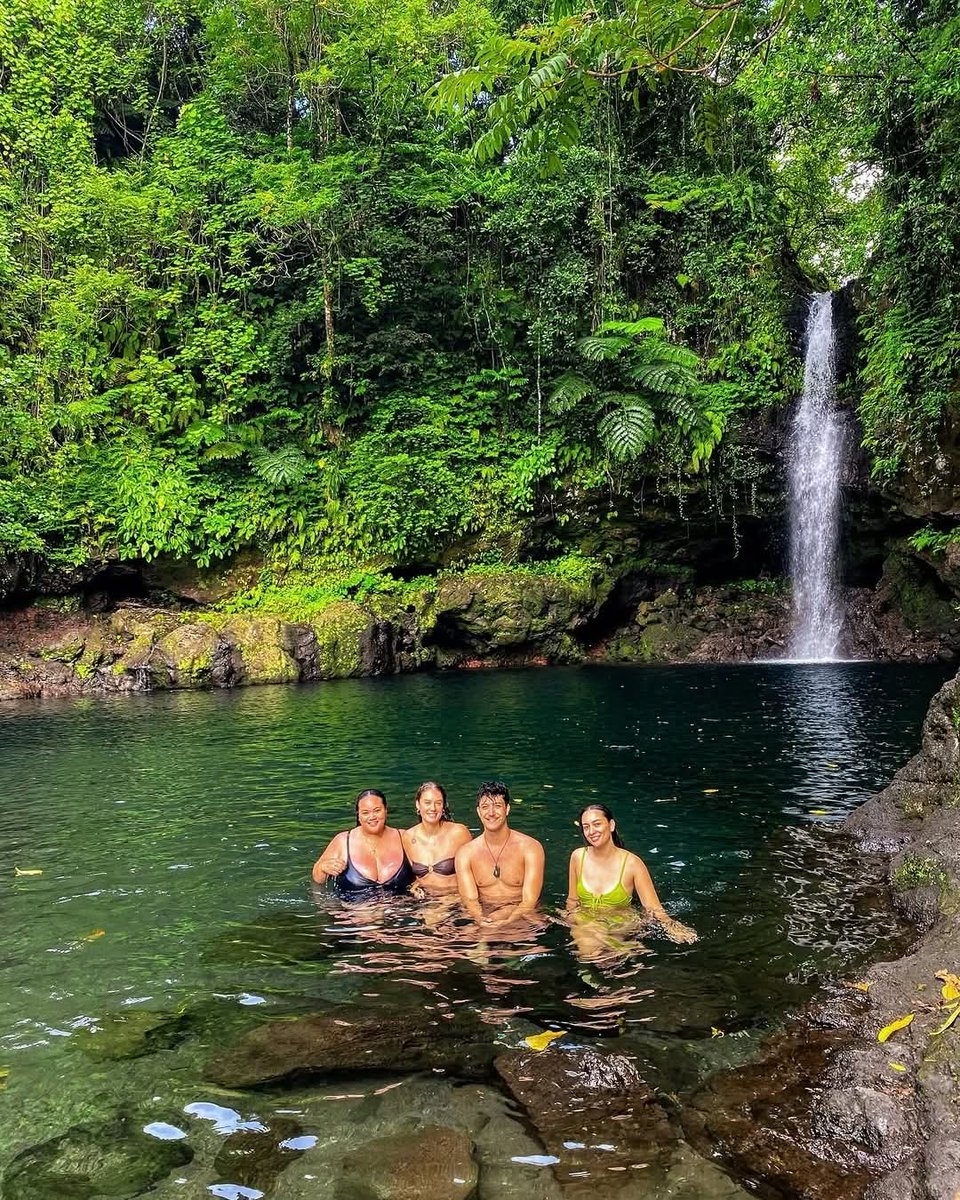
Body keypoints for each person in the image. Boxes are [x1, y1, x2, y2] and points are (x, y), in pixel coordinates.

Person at [566, 803, 697, 944]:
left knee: (598, 950)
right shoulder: (578, 857)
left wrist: (672, 927)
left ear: (611, 825)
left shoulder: (633, 864)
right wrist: (570, 921)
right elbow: (572, 900)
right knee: (590, 947)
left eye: (597, 824)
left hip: (620, 924)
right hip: (586, 923)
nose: (591, 831)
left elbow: (653, 908)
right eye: (586, 827)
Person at [455, 781, 544, 926]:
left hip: (522, 918)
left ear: (507, 809)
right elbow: (470, 900)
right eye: (485, 807)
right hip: (485, 918)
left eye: (497, 806)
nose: (491, 813)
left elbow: (530, 901)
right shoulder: (465, 854)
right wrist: (481, 920)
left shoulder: (530, 848)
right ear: (478, 812)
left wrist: (507, 921)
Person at [312, 789, 415, 895]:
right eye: (365, 813)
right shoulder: (342, 841)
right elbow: (318, 879)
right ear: (359, 816)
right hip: (355, 909)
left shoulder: (404, 837)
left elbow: (425, 872)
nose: (372, 817)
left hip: (402, 908)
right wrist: (323, 868)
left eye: (377, 810)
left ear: (385, 810)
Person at [402, 781, 472, 896]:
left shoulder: (459, 833)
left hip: (455, 901)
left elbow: (474, 874)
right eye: (427, 803)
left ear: (443, 806)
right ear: (418, 805)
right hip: (424, 901)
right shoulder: (408, 837)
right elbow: (415, 878)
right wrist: (414, 888)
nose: (433, 808)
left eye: (438, 803)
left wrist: (451, 901)